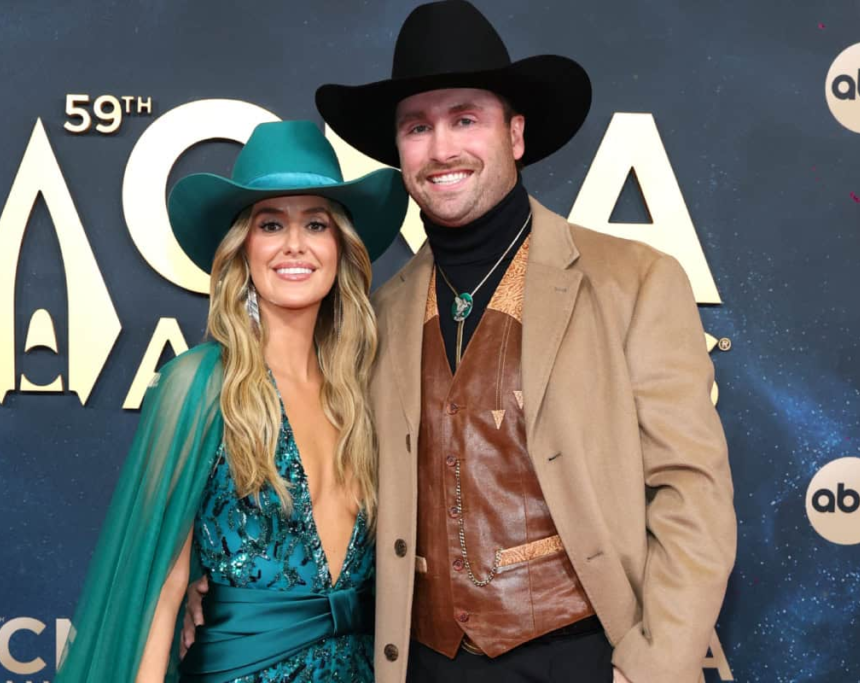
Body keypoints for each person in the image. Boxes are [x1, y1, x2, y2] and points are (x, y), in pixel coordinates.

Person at [313, 2, 738, 682]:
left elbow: (693, 494)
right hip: (424, 664)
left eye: (465, 119)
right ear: (399, 150)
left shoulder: (634, 281)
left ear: (514, 134)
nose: (441, 149)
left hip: (587, 658)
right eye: (418, 126)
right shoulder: (379, 312)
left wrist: (653, 667)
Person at [54, 120, 409, 683]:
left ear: (340, 247)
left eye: (316, 223)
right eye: (271, 224)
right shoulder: (199, 385)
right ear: (243, 250)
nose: (295, 244)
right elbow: (161, 588)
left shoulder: (366, 390)